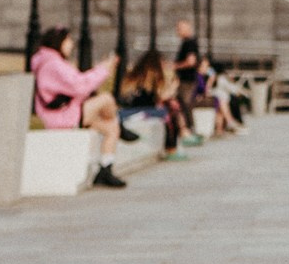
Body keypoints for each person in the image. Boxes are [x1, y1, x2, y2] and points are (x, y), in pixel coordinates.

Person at [30, 26, 129, 188]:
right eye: (68, 41)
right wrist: (103, 69)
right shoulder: (53, 64)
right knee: (106, 99)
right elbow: (79, 86)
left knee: (111, 129)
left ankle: (105, 169)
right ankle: (117, 119)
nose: (71, 45)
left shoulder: (50, 62)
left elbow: (77, 89)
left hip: (66, 112)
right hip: (61, 117)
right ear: (58, 42)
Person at [120, 49, 190, 158]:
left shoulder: (135, 74)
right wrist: (174, 86)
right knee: (170, 113)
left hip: (127, 110)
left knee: (171, 107)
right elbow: (160, 97)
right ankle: (172, 147)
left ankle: (183, 133)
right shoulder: (152, 76)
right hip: (142, 111)